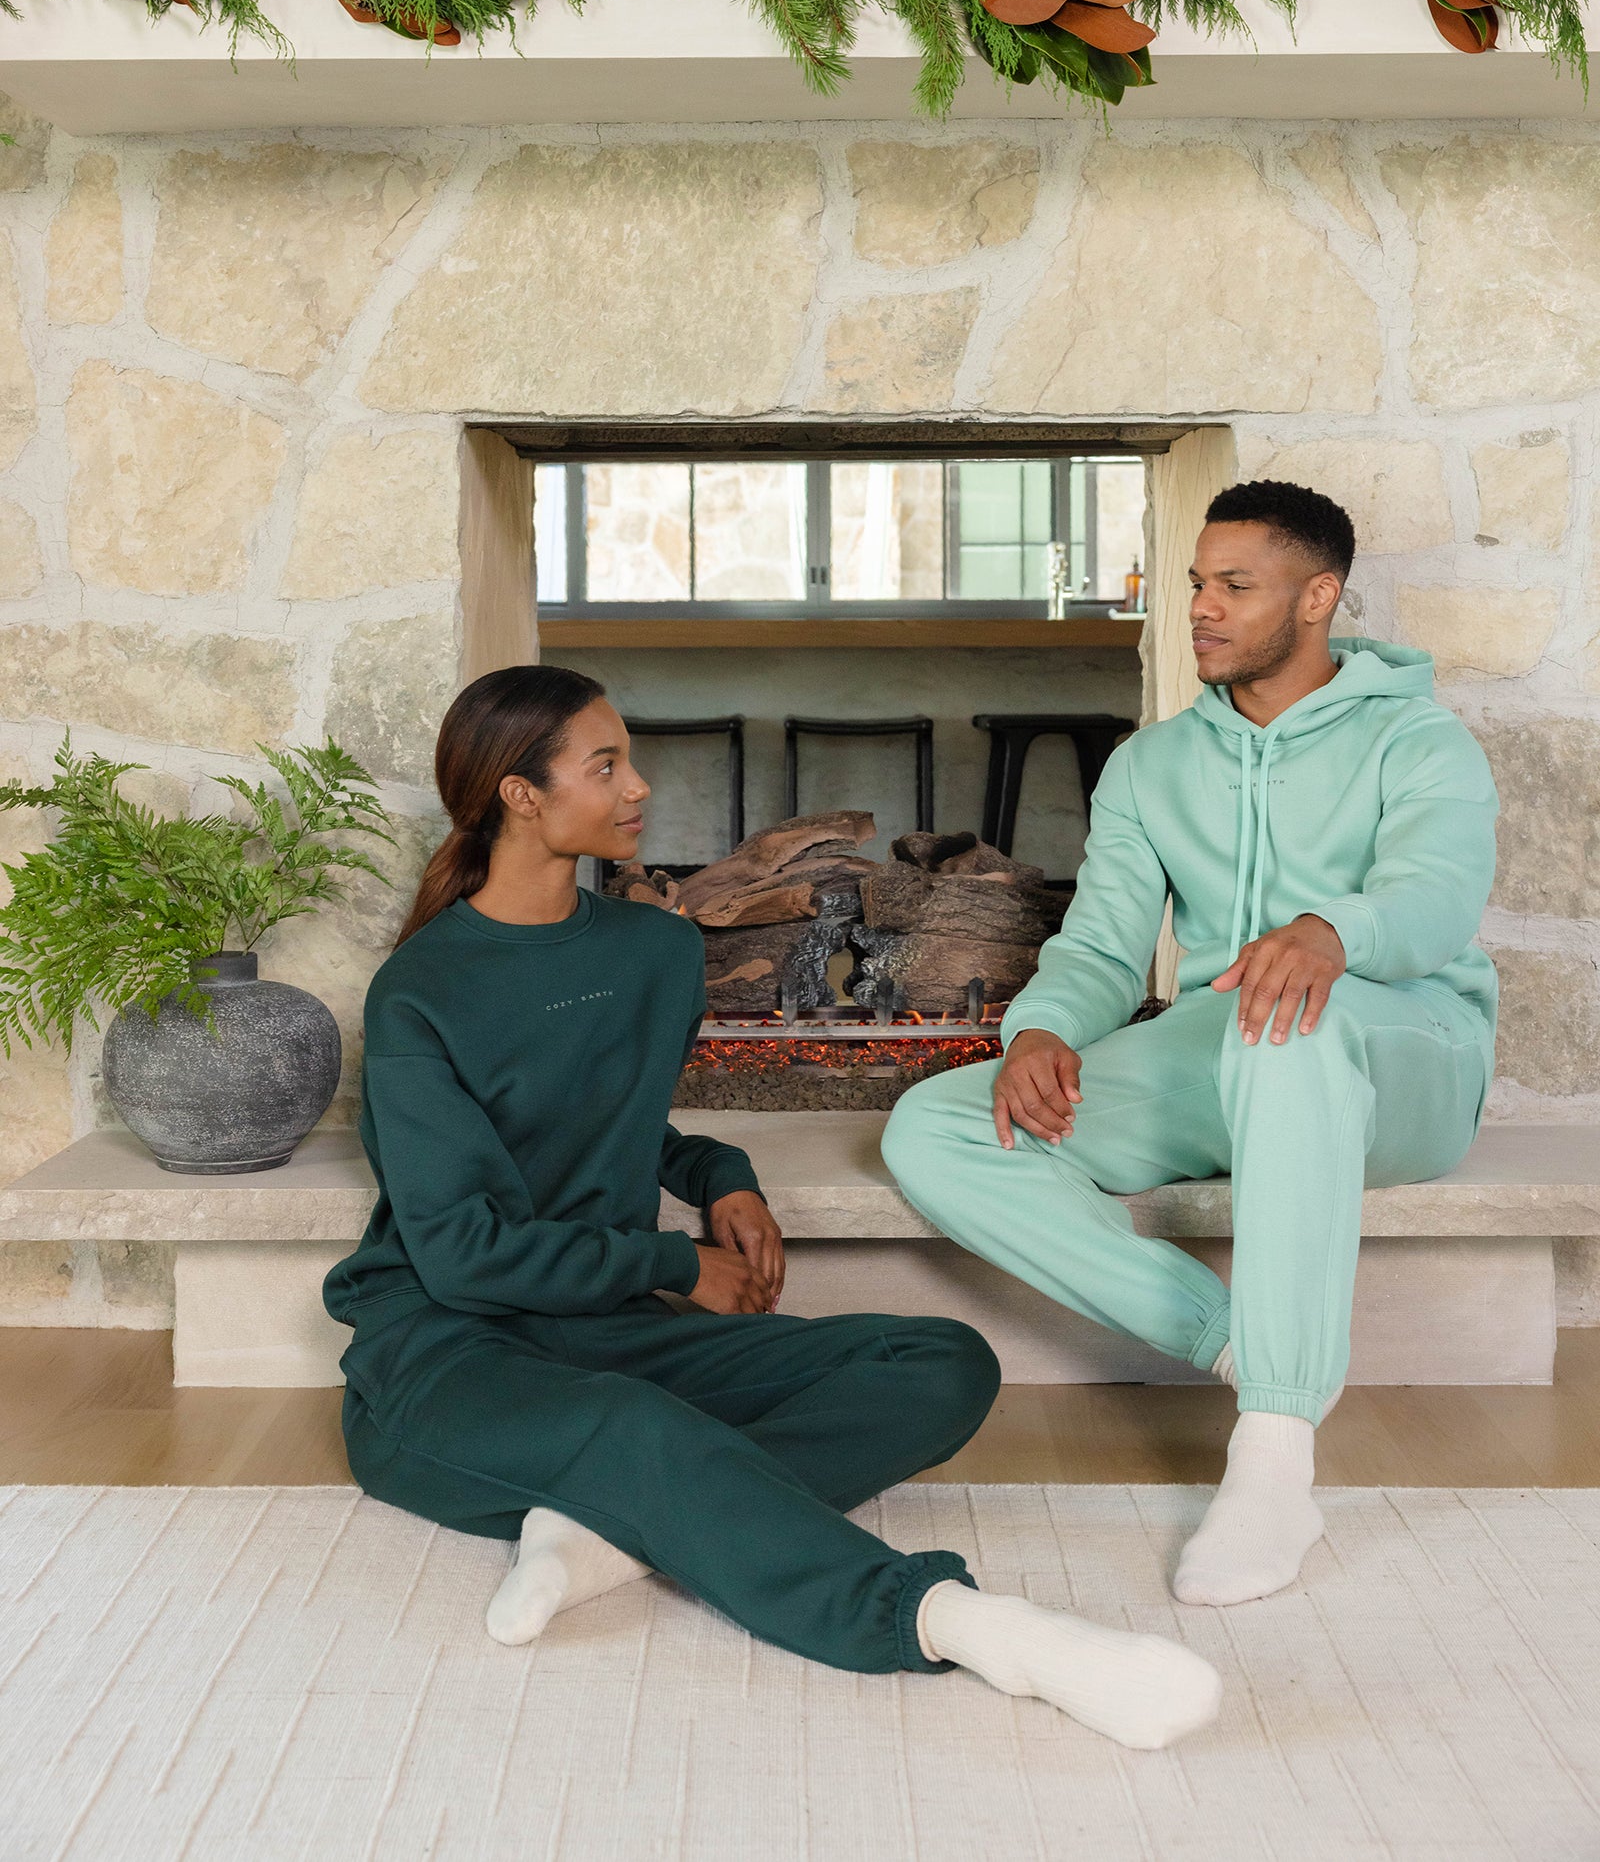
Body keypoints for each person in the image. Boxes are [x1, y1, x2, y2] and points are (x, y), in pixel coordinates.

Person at [323, 664, 1222, 1749]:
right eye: (605, 765)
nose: (639, 786)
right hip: (446, 1358)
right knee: (634, 1427)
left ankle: (607, 1534)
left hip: (607, 1335)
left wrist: (716, 1176)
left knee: (941, 1363)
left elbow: (590, 1122)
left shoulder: (650, 951)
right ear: (520, 795)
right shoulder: (422, 990)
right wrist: (672, 1268)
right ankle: (972, 1628)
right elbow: (463, 1252)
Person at [883, 481, 1498, 1608]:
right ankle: (1243, 1342)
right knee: (938, 1123)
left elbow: (1436, 903)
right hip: (1230, 1051)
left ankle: (1272, 1452)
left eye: (1234, 587)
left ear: (1318, 597)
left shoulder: (1418, 741)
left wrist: (1330, 932)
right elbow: (1104, 947)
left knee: (1287, 1028)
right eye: (1194, 586)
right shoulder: (1153, 764)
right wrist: (1041, 1030)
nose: (1201, 610)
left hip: (1402, 1050)